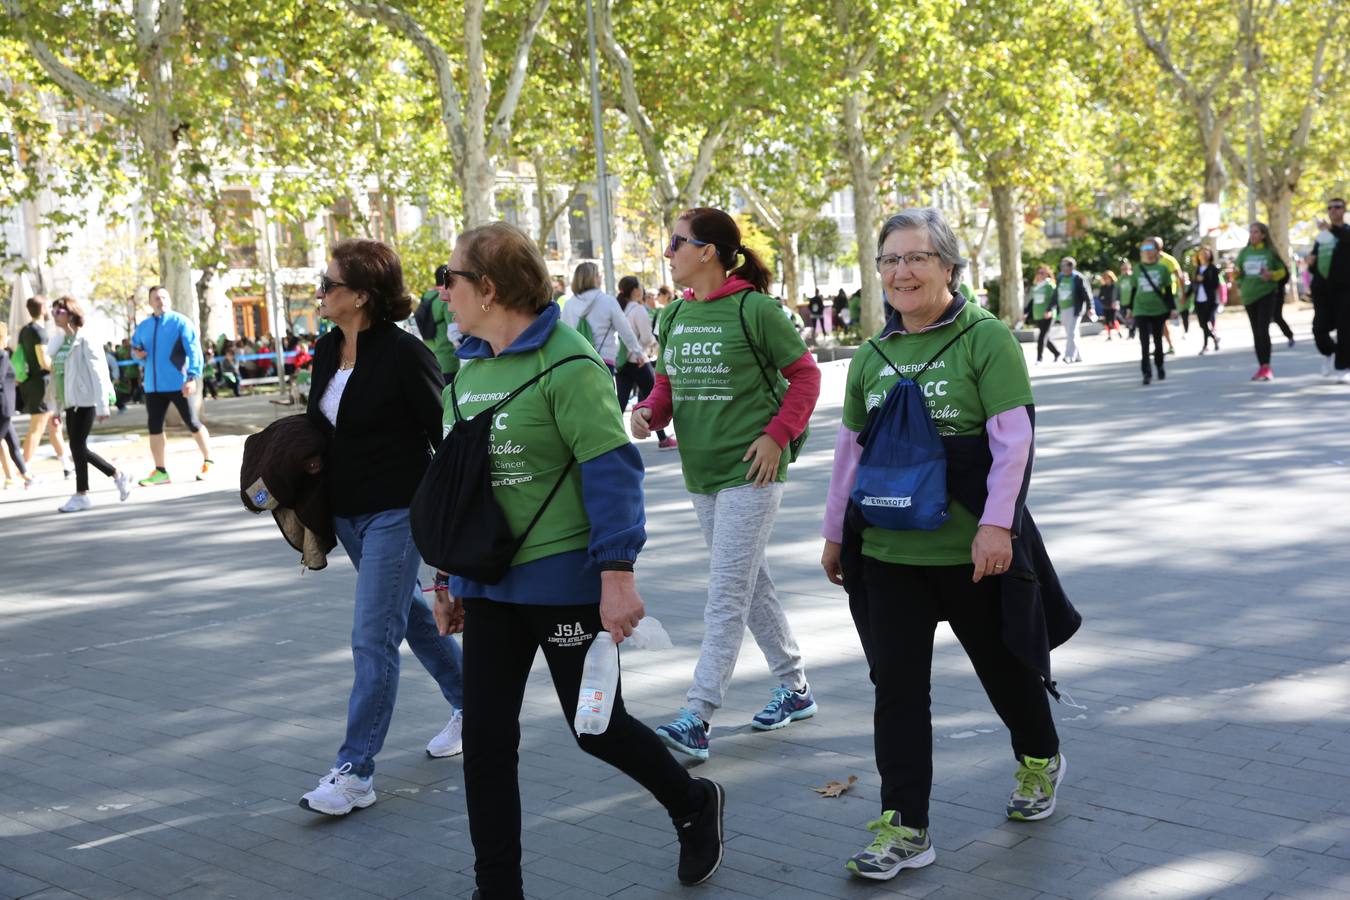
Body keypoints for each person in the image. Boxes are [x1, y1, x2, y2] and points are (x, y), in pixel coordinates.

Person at [433, 222, 724, 897]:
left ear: (489, 287)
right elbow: (458, 486)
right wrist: (447, 575)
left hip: (564, 584)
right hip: (489, 585)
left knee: (595, 727)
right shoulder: (469, 368)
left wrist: (617, 575)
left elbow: (613, 469)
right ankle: (497, 887)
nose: (442, 291)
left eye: (451, 278)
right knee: (486, 743)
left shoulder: (567, 362)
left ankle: (691, 802)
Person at [820, 208, 1074, 880]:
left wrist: (997, 525)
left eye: (917, 258)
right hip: (888, 557)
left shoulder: (984, 338)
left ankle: (1040, 755)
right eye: (890, 260)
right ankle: (906, 827)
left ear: (950, 268)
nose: (901, 271)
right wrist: (834, 532)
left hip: (970, 554)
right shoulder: (870, 356)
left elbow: (1013, 442)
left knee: (1005, 670)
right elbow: (851, 453)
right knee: (896, 692)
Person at [632, 207, 821, 760]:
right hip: (702, 473)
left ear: (707, 251)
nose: (668, 252)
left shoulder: (755, 310)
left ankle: (698, 713)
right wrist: (648, 412)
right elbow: (667, 386)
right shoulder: (673, 318)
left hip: (752, 471)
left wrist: (777, 436)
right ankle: (794, 688)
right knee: (748, 582)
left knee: (726, 592)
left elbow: (805, 376)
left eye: (676, 242)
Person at [297, 238, 466, 816]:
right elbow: (325, 425)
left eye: (330, 283)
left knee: (373, 638)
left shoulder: (404, 354)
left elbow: (444, 438)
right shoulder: (324, 349)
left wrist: (449, 532)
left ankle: (355, 771)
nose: (321, 291)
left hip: (399, 509)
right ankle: (475, 704)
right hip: (346, 513)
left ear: (362, 295)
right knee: (408, 617)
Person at [48, 297, 133, 512]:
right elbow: (58, 378)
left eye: (58, 311)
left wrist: (102, 405)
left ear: (71, 313)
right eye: (53, 311)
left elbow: (99, 373)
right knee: (78, 447)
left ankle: (82, 494)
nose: (54, 315)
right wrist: (56, 408)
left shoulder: (85, 339)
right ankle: (117, 475)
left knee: (77, 446)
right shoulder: (59, 342)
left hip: (85, 400)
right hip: (70, 402)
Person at [130, 286, 214, 484]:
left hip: (179, 383)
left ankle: (208, 462)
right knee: (154, 427)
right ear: (150, 302)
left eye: (164, 297)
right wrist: (138, 353)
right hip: (153, 386)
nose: (161, 300)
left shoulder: (181, 322)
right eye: (156, 298)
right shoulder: (144, 326)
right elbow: (136, 347)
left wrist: (192, 377)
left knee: (192, 423)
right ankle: (161, 471)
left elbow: (194, 351)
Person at [615, 275, 676, 449]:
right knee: (654, 396)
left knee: (621, 401)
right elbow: (647, 337)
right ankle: (663, 438)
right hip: (638, 359)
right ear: (635, 290)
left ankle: (611, 441)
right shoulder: (638, 310)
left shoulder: (622, 309)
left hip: (622, 360)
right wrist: (655, 347)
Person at [17, 296, 73, 477]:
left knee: (54, 425)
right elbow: (43, 360)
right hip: (42, 384)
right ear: (42, 309)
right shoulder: (39, 332)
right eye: (49, 307)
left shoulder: (25, 331)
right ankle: (23, 470)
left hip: (32, 383)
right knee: (37, 428)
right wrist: (62, 365)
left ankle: (67, 466)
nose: (52, 311)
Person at [559, 262, 643, 375]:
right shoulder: (608, 301)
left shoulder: (569, 305)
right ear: (593, 278)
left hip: (576, 362)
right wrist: (637, 352)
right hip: (604, 360)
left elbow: (564, 336)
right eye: (598, 274)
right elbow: (625, 330)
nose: (601, 277)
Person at [1236, 222, 1288, 382]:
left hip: (1266, 294)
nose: (1252, 235)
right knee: (1256, 332)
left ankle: (1266, 367)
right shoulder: (1244, 253)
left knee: (1262, 329)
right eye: (1251, 232)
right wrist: (1236, 276)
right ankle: (1261, 367)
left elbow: (1282, 272)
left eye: (1256, 232)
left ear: (1263, 235)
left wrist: (1270, 275)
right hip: (1248, 296)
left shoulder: (1270, 252)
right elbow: (1238, 274)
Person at [1309, 197, 1350, 379]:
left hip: (1344, 289)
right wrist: (1311, 262)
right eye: (1330, 208)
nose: (1333, 211)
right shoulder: (1322, 237)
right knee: (1319, 328)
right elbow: (1315, 262)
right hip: (1322, 289)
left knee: (1345, 329)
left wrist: (1331, 230)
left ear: (1344, 210)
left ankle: (1342, 367)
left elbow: (1345, 240)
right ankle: (1329, 352)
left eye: (1337, 207)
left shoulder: (1345, 232)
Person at [1123, 240, 1174, 385]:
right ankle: (1146, 373)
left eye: (1150, 248)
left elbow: (1168, 291)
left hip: (1159, 309)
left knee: (1158, 341)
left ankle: (1160, 366)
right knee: (1144, 343)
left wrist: (1173, 308)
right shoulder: (1138, 269)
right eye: (1144, 248)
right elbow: (1133, 290)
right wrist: (1129, 309)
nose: (1146, 250)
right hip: (1141, 309)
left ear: (1157, 251)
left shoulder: (1162, 269)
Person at [0, 322, 35, 490]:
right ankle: (24, 476)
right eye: (7, 335)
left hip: (4, 406)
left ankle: (26, 476)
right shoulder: (2, 355)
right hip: (3, 406)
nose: (8, 338)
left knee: (13, 443)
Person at [1054, 257, 1092, 363]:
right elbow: (1056, 293)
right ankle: (1078, 356)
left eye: (1065, 265)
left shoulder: (1078, 278)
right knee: (1071, 332)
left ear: (1071, 266)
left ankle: (1069, 356)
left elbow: (1087, 293)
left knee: (1072, 332)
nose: (1062, 268)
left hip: (1075, 309)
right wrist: (1051, 307)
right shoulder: (1060, 277)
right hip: (1063, 308)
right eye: (1061, 265)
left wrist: (1091, 307)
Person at [1022, 265, 1060, 364]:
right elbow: (1033, 301)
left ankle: (1039, 358)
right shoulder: (1037, 286)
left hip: (1048, 314)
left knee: (1042, 336)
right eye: (1039, 272)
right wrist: (1026, 313)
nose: (1040, 274)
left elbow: (1054, 299)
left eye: (1042, 273)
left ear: (1047, 274)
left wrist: (1050, 310)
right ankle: (1057, 353)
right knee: (1045, 336)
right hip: (1037, 314)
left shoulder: (1050, 285)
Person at [1189, 247, 1222, 354]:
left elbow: (1215, 284)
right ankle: (1214, 338)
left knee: (1206, 322)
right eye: (1202, 253)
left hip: (1210, 300)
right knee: (1202, 324)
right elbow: (1194, 284)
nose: (1204, 255)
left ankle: (1205, 345)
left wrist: (1204, 280)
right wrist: (1186, 295)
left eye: (1206, 253)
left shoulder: (1213, 268)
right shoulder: (1198, 268)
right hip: (1199, 300)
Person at [1098, 271, 1122, 340]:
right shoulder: (1103, 287)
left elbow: (1118, 295)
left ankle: (1118, 332)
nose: (1106, 279)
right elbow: (1100, 296)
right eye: (1105, 278)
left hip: (1113, 306)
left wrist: (1116, 302)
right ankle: (1109, 335)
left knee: (1113, 320)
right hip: (1106, 306)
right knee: (1107, 321)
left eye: (1107, 277)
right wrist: (1103, 301)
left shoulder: (1115, 286)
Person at [1119, 261, 1137, 340]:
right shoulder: (1120, 278)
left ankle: (1131, 333)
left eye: (1126, 269)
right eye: (1123, 269)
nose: (1125, 270)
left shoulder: (1133, 277)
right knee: (1125, 317)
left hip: (1132, 301)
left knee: (1131, 317)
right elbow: (1116, 289)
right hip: (1123, 302)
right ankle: (1131, 330)